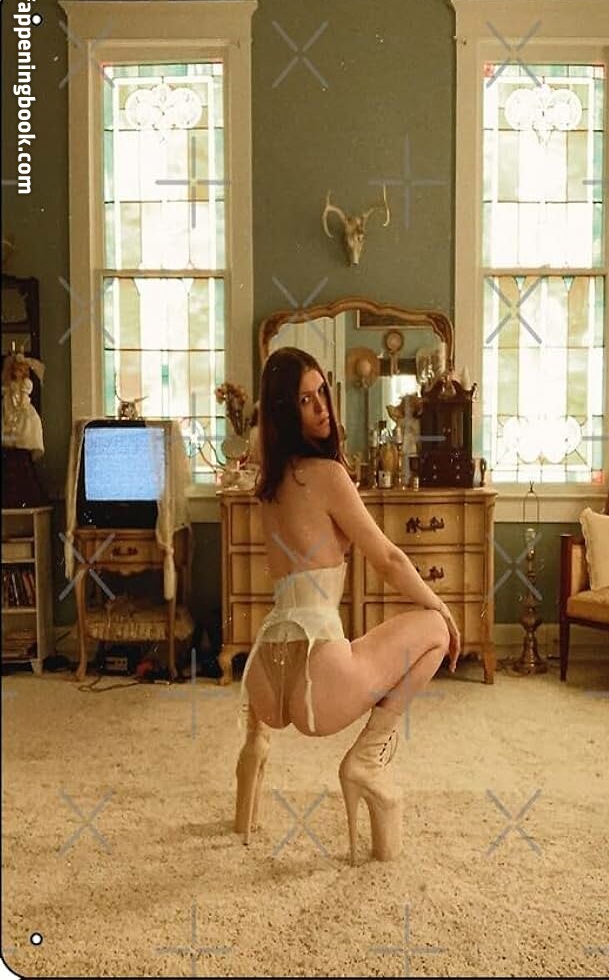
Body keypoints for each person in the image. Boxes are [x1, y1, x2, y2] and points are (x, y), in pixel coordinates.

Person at [234, 346, 461, 865]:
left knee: (295, 629)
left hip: (264, 676)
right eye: (304, 400)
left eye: (322, 393)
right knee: (433, 630)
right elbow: (388, 559)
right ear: (284, 411)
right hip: (317, 681)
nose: (322, 408)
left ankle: (249, 771)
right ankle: (367, 759)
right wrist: (443, 608)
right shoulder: (327, 475)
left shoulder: (268, 482)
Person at [1, 351, 45, 459]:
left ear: (24, 372)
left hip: (22, 406)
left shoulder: (26, 384)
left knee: (26, 425)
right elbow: (7, 391)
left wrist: (20, 405)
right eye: (15, 370)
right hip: (10, 405)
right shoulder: (12, 384)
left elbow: (23, 398)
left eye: (20, 370)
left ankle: (21, 446)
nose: (17, 373)